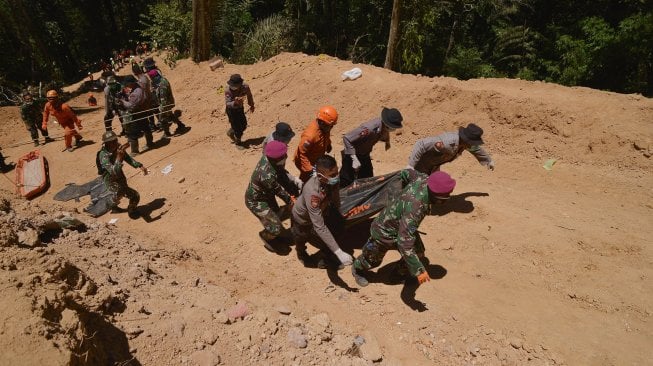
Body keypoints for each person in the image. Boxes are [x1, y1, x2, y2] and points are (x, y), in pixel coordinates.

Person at [351, 170, 457, 287]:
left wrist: (398, 196)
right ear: (436, 196)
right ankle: (357, 269)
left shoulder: (423, 178)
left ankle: (397, 275)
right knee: (372, 260)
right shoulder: (416, 208)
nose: (448, 198)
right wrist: (418, 270)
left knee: (418, 253)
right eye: (446, 196)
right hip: (384, 231)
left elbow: (405, 173)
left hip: (402, 225)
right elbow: (404, 242)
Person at [291, 155, 352, 269]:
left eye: (337, 172)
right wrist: (339, 252)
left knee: (338, 227)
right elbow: (320, 227)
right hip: (303, 218)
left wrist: (338, 211)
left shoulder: (332, 181)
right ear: (320, 176)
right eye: (333, 175)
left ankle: (325, 259)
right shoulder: (313, 192)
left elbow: (335, 196)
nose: (337, 177)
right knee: (301, 237)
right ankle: (301, 254)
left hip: (323, 210)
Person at [246, 141, 300, 251]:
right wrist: (291, 201)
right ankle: (266, 237)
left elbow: (282, 175)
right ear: (275, 159)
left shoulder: (273, 161)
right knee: (274, 228)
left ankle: (278, 233)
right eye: (283, 155)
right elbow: (279, 191)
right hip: (256, 201)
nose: (286, 156)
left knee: (278, 215)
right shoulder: (266, 175)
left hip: (267, 195)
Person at [339, 107, 403, 187]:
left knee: (368, 180)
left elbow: (384, 134)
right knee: (346, 181)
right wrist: (353, 158)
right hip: (352, 156)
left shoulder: (383, 127)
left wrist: (387, 142)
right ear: (386, 124)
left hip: (365, 155)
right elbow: (347, 138)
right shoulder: (369, 129)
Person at [407, 123, 495, 174]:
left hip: (434, 165)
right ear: (466, 140)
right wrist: (410, 166)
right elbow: (421, 144)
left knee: (436, 188)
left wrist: (488, 160)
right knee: (416, 189)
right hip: (421, 165)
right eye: (473, 142)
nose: (474, 145)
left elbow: (476, 149)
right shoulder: (447, 142)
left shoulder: (464, 144)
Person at [97, 131, 148, 219]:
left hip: (120, 177)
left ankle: (120, 207)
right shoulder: (103, 155)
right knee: (132, 195)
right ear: (106, 143)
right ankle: (128, 210)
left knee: (123, 193)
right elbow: (113, 171)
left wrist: (139, 165)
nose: (114, 143)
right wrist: (119, 158)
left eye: (115, 140)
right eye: (111, 142)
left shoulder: (118, 148)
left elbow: (127, 158)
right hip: (111, 180)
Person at [293, 106, 338, 182]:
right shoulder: (310, 136)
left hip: (315, 158)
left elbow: (326, 135)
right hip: (305, 162)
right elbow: (302, 154)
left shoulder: (325, 127)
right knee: (307, 180)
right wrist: (309, 170)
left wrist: (328, 144)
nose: (332, 127)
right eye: (331, 126)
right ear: (323, 123)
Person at [119, 76, 154, 155]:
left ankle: (135, 151)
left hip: (137, 113)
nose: (126, 86)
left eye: (127, 84)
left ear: (131, 83)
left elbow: (131, 106)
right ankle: (150, 143)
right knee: (146, 127)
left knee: (132, 132)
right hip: (141, 111)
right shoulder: (137, 88)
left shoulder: (137, 92)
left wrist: (122, 101)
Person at [149, 69, 186, 137]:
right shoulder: (163, 80)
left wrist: (162, 108)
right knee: (170, 115)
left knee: (162, 119)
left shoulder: (162, 85)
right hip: (169, 102)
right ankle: (180, 124)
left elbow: (163, 98)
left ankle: (166, 133)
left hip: (166, 104)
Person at [224, 74, 255, 148]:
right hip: (232, 111)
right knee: (238, 130)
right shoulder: (228, 90)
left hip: (240, 109)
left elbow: (249, 95)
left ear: (240, 84)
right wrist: (235, 102)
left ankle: (231, 131)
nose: (232, 87)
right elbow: (228, 103)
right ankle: (238, 143)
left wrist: (251, 105)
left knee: (244, 125)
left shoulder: (245, 87)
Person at [132, 64, 158, 132]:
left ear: (134, 72)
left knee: (152, 112)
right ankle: (153, 125)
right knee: (151, 112)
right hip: (149, 96)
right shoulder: (144, 77)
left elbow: (142, 90)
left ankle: (157, 124)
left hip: (147, 98)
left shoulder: (141, 80)